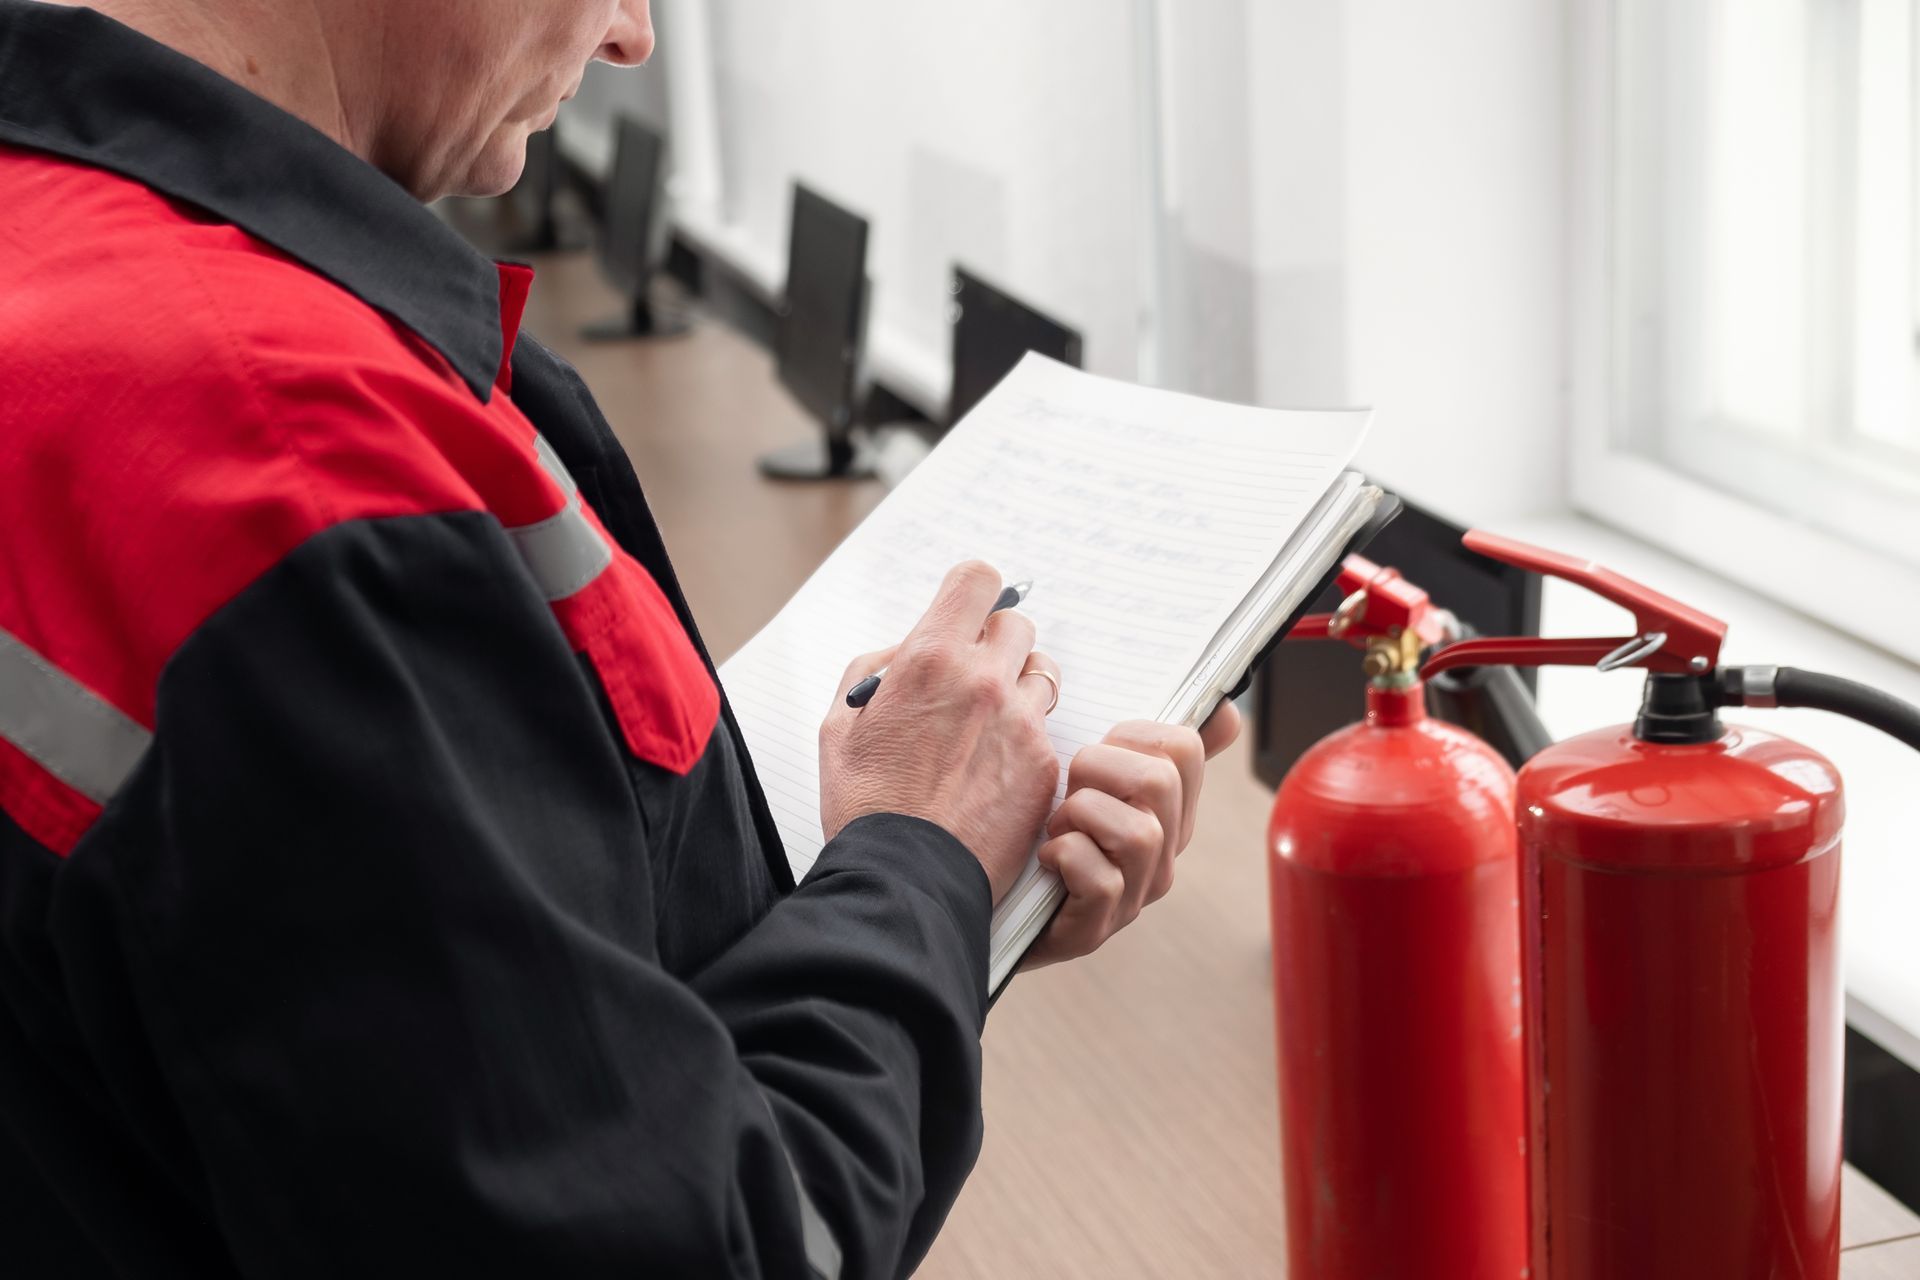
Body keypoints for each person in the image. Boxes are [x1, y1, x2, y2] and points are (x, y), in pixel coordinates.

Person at [0, 1, 1240, 1275]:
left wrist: (943, 902)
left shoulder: (54, 250)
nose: (634, 39)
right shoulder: (302, 473)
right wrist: (917, 862)